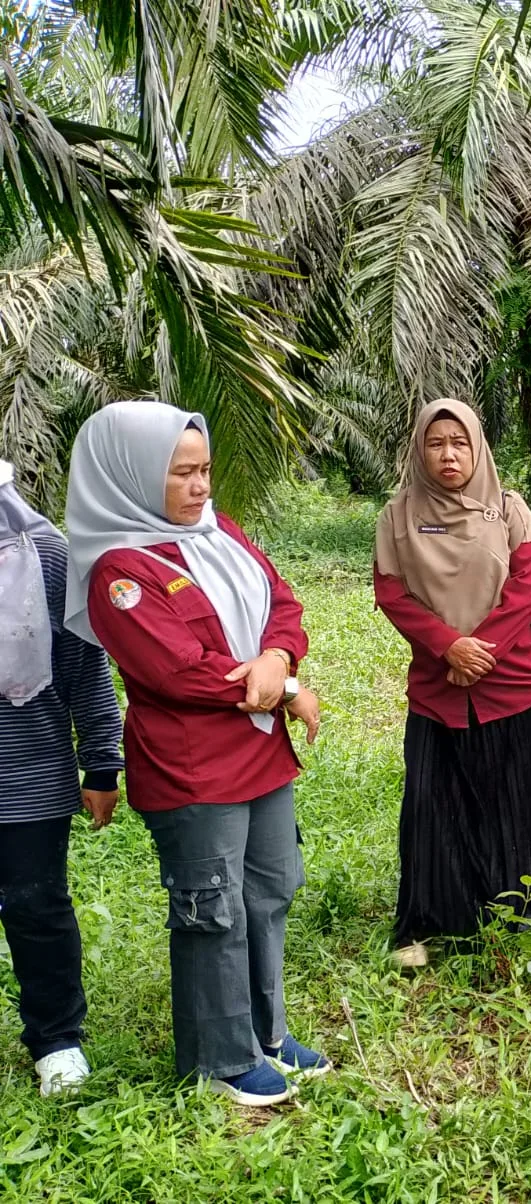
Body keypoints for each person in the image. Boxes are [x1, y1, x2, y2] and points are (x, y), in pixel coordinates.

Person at [64, 401, 327, 1107]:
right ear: (131, 477)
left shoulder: (221, 535)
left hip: (261, 755)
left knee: (270, 889)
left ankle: (267, 1033)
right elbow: (177, 668)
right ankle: (220, 1057)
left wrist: (279, 654)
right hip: (194, 767)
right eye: (181, 473)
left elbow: (282, 600)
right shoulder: (121, 570)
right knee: (212, 908)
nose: (200, 486)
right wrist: (280, 683)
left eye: (204, 469)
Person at [374, 400, 531, 969]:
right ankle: (429, 921)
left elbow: (529, 586)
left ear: (478, 446)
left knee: (517, 802)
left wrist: (481, 651)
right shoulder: (397, 516)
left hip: (514, 683)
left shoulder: (508, 509)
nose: (448, 454)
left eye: (460, 441)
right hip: (438, 685)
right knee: (434, 803)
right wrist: (447, 646)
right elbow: (392, 593)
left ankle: (526, 914)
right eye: (436, 443)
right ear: (418, 450)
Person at [0, 461, 123, 1096]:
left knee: (36, 906)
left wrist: (103, 762)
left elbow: (85, 667)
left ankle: (56, 1039)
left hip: (26, 774)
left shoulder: (42, 555)